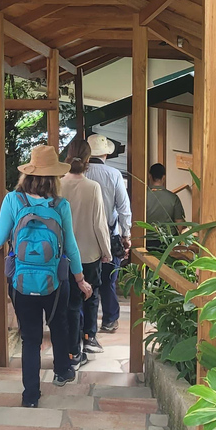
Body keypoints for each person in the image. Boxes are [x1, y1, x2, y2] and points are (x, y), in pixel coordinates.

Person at [0, 145, 92, 408]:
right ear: (54, 177)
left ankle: (30, 396)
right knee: (59, 325)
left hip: (20, 280)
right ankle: (61, 371)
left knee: (30, 338)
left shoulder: (13, 200)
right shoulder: (60, 204)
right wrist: (80, 279)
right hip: (55, 280)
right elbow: (71, 246)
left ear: (27, 173)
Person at [61, 140, 113, 364]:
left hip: (63, 255)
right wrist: (106, 251)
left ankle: (72, 350)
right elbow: (99, 224)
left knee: (69, 302)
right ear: (87, 160)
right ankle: (89, 336)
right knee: (90, 297)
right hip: (89, 253)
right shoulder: (92, 187)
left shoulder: (57, 185)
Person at [84, 134, 132, 333]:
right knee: (108, 280)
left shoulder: (78, 173)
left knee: (84, 281)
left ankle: (84, 324)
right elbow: (123, 207)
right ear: (105, 153)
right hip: (110, 235)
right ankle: (110, 320)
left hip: (82, 236)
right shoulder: (114, 174)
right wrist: (126, 234)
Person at [146, 163, 186, 251]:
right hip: (167, 243)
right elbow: (179, 224)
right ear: (164, 177)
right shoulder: (173, 198)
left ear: (149, 176)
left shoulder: (142, 197)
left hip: (146, 242)